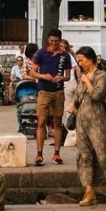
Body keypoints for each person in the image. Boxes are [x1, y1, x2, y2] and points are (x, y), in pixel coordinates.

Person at [72, 47, 106, 208]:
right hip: (82, 120)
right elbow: (79, 95)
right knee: (84, 156)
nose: (80, 63)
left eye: (83, 60)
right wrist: (73, 104)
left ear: (91, 59)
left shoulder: (102, 75)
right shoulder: (81, 75)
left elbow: (97, 96)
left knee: (104, 154)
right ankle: (89, 191)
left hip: (97, 120)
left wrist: (87, 82)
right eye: (79, 60)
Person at [32, 30, 67, 166]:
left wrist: (61, 77)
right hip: (44, 91)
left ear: (60, 40)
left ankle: (57, 153)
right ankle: (39, 154)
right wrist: (43, 76)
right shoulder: (41, 53)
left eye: (56, 41)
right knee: (41, 122)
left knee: (57, 122)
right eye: (51, 41)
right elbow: (32, 71)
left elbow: (68, 75)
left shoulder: (64, 55)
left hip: (58, 91)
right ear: (48, 40)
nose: (53, 43)